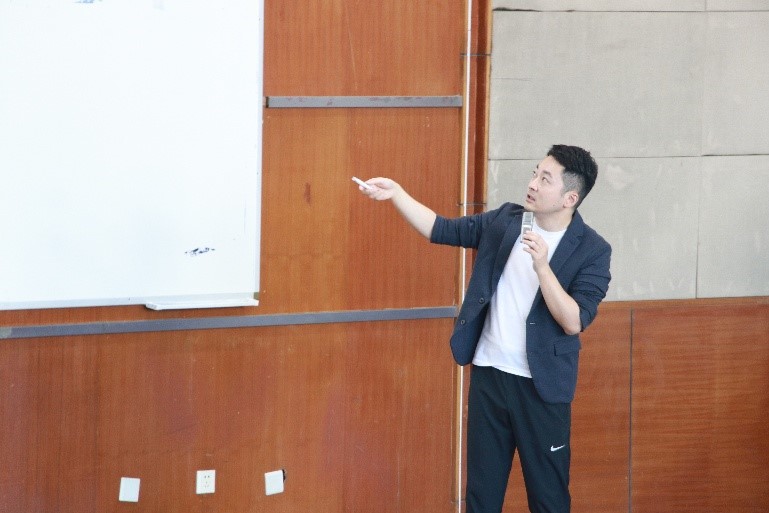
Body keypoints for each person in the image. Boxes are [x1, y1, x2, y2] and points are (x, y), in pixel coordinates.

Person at [357, 145, 611, 513]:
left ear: (569, 198)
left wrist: (542, 266)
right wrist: (397, 194)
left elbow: (574, 320)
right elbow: (441, 228)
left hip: (541, 388)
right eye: (535, 173)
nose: (532, 184)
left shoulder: (592, 250)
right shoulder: (506, 221)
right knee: (482, 496)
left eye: (545, 179)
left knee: (549, 499)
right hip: (489, 377)